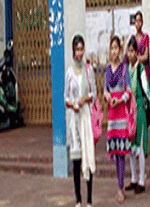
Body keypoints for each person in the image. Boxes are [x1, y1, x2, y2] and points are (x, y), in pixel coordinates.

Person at [64, 34, 96, 207]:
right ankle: (78, 199)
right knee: (76, 160)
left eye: (81, 49)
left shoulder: (88, 70)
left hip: (85, 117)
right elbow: (65, 97)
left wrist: (86, 99)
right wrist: (72, 104)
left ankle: (89, 199)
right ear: (73, 50)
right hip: (74, 119)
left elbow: (94, 92)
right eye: (77, 49)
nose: (79, 53)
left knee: (88, 157)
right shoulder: (69, 72)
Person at [104, 36, 131, 203]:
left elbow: (128, 91)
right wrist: (108, 98)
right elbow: (106, 90)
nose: (114, 51)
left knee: (121, 154)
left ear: (120, 51)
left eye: (116, 48)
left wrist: (119, 99)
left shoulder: (124, 69)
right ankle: (119, 185)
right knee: (115, 152)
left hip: (121, 114)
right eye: (111, 48)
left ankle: (121, 188)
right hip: (112, 116)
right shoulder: (107, 70)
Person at [125, 37, 150, 194]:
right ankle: (133, 179)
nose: (130, 54)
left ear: (137, 52)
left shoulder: (140, 69)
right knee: (129, 147)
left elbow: (146, 87)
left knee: (139, 147)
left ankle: (141, 180)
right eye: (128, 51)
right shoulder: (126, 69)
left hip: (139, 109)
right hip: (129, 111)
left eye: (132, 51)